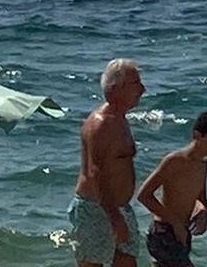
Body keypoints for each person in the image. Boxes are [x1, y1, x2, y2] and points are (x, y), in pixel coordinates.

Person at [69, 58, 146, 267]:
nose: (143, 89)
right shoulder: (102, 123)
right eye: (135, 84)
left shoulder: (120, 119)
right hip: (98, 207)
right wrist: (113, 216)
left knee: (127, 261)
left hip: (120, 207)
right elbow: (96, 172)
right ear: (115, 89)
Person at [136, 111, 207, 267]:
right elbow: (144, 196)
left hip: (183, 232)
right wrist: (175, 224)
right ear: (197, 135)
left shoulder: (203, 165)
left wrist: (203, 212)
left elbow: (200, 198)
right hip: (164, 231)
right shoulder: (175, 160)